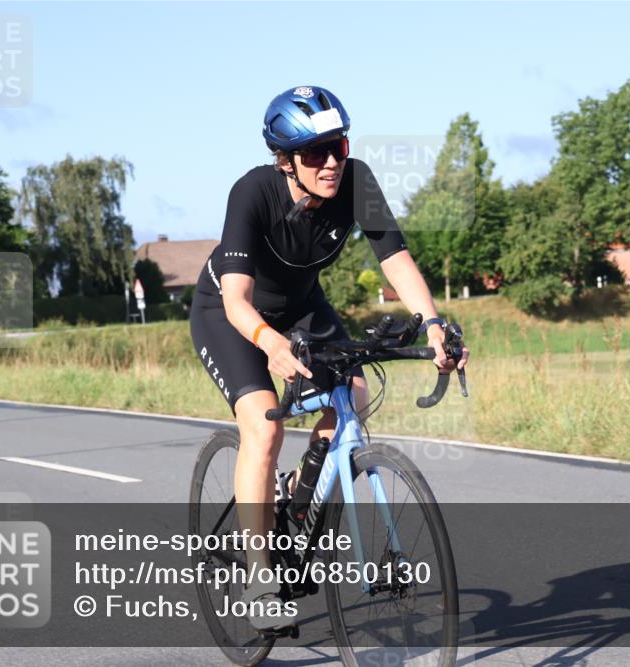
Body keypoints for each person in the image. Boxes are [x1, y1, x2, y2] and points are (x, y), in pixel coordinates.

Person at [189, 85, 469, 630]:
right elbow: (237, 300)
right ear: (286, 160)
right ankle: (259, 573)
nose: (331, 162)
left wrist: (433, 324)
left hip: (301, 306)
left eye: (337, 146)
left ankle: (298, 491)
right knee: (263, 428)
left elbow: (395, 257)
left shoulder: (357, 180)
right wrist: (269, 343)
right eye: (315, 154)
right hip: (229, 312)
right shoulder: (253, 193)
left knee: (354, 395)